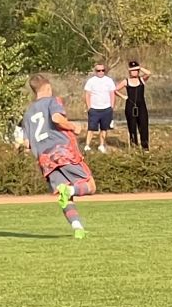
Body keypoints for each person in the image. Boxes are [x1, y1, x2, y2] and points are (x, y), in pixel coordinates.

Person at [21, 74, 94, 239]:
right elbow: (56, 118)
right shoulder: (53, 101)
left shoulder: (28, 113)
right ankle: (70, 190)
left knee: (65, 196)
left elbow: (26, 143)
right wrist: (73, 126)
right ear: (47, 87)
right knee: (90, 185)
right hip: (62, 151)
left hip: (44, 159)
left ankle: (78, 228)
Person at [82, 62, 117, 154]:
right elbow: (87, 94)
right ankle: (87, 145)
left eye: (103, 70)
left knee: (104, 128)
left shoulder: (109, 80)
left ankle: (101, 145)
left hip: (106, 108)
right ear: (95, 71)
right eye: (99, 70)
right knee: (91, 128)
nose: (101, 72)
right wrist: (89, 107)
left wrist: (112, 107)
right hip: (94, 109)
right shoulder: (91, 81)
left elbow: (112, 94)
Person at [122, 59, 152, 149]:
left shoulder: (141, 79)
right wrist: (123, 96)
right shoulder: (126, 81)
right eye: (132, 70)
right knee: (132, 126)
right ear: (129, 71)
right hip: (130, 106)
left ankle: (145, 146)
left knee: (143, 125)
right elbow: (115, 90)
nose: (134, 72)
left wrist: (139, 67)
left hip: (141, 106)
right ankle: (134, 146)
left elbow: (149, 73)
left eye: (135, 70)